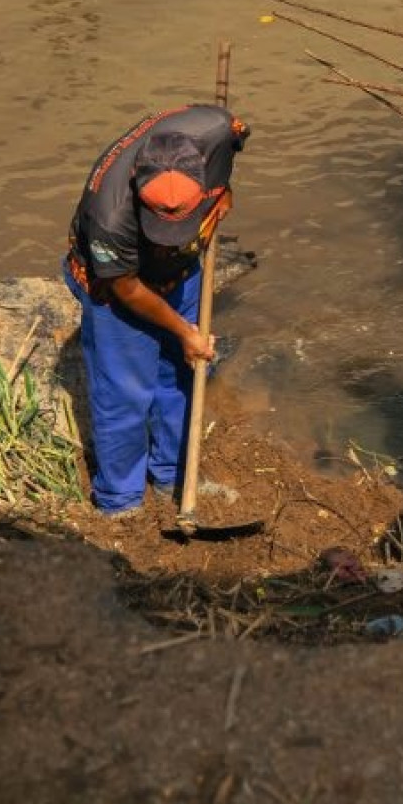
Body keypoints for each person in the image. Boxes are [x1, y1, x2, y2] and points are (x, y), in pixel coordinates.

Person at [63, 104, 248, 517]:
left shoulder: (216, 131)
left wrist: (224, 197)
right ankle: (120, 502)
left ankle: (173, 475)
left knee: (183, 374)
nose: (167, 235)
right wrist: (185, 331)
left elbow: (236, 143)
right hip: (118, 289)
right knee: (126, 393)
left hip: (181, 272)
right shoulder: (108, 214)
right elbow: (127, 288)